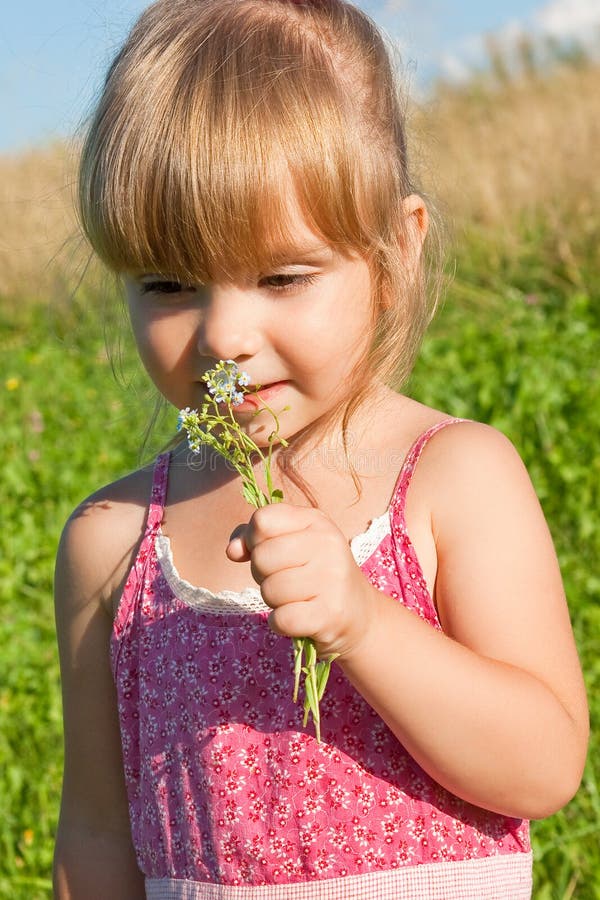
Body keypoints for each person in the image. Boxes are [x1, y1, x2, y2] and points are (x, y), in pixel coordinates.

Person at [52, 1, 589, 897]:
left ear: (395, 257)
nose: (224, 333)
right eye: (167, 282)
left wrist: (365, 624)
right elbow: (98, 833)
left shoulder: (454, 477)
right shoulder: (113, 544)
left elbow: (542, 766)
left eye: (283, 277)